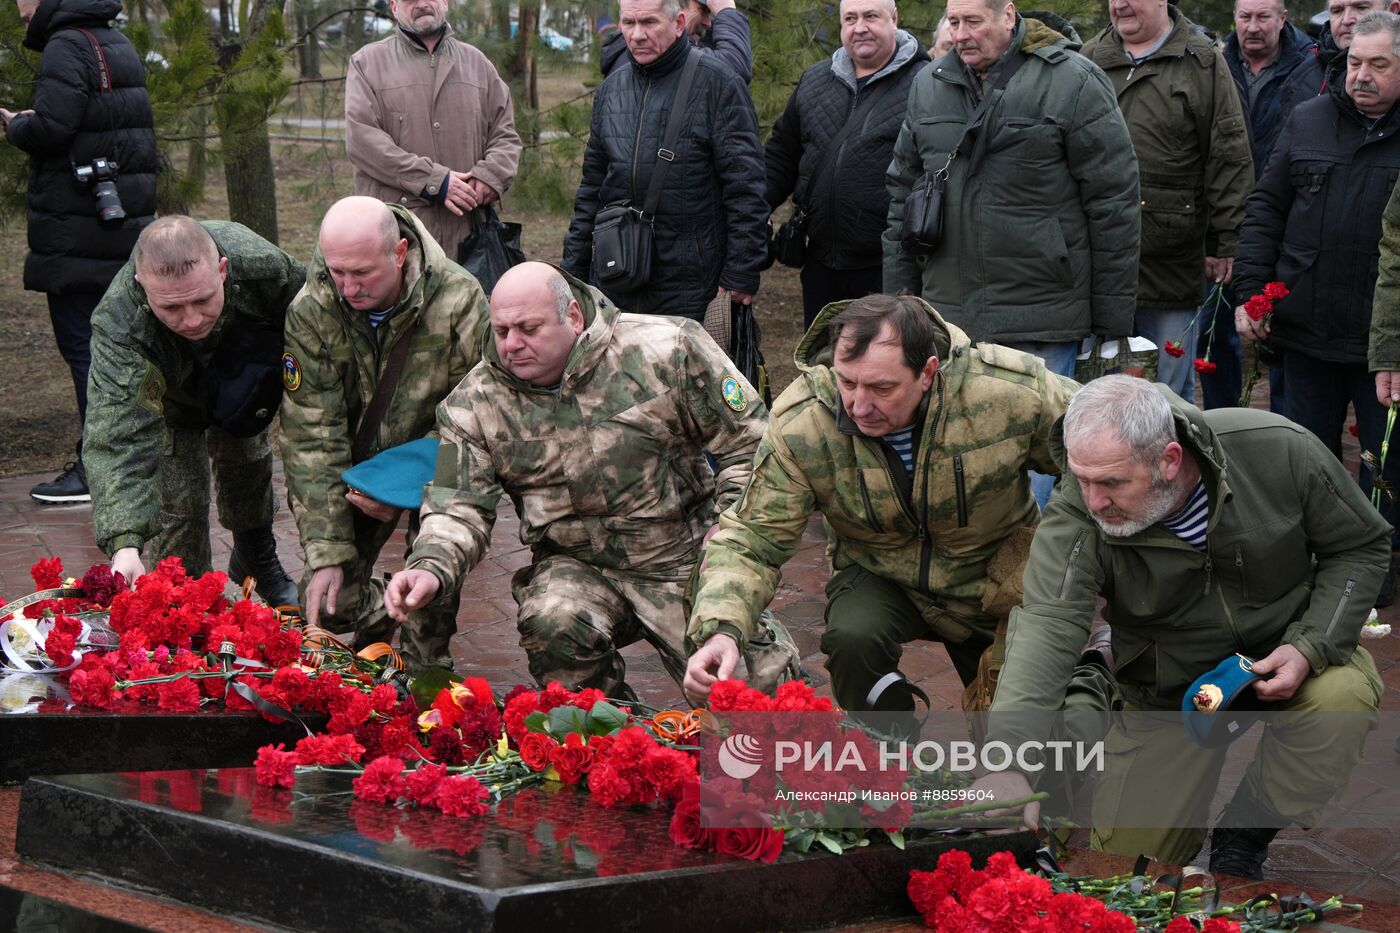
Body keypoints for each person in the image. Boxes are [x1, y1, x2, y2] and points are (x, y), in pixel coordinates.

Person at [980, 375, 1386, 878]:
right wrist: (1009, 760)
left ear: (1169, 460)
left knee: (1341, 699)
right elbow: (1047, 623)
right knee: (1126, 869)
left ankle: (1248, 829)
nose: (1094, 502)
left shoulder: (1279, 449)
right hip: (1166, 692)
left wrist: (1309, 645)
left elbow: (1360, 546)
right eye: (1081, 479)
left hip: (1284, 653)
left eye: (1110, 482)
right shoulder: (1077, 515)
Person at [383, 262, 801, 699]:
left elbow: (752, 444)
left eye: (529, 328)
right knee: (552, 620)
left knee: (759, 700)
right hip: (579, 566)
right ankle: (612, 740)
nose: (512, 344)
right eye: (502, 330)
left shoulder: (668, 348)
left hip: (683, 557)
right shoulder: (472, 405)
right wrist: (431, 565)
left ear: (573, 317)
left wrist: (731, 525)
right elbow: (456, 504)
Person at [684, 294, 1078, 714]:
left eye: (882, 387)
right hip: (879, 572)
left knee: (1024, 726)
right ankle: (883, 759)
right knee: (853, 639)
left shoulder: (1008, 392)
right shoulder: (806, 419)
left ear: (927, 372)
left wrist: (1057, 544)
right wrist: (722, 629)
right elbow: (752, 536)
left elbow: (1109, 446)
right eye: (847, 382)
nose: (859, 406)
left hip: (991, 577)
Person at [883, 0, 1138, 507]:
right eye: (953, 23)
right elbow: (901, 196)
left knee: (1044, 459)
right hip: (950, 313)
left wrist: (1111, 319)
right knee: (961, 459)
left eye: (973, 21)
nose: (960, 34)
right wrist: (899, 300)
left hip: (1043, 310)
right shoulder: (929, 83)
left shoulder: (1074, 81)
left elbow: (1114, 202)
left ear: (1009, 14)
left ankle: (1038, 575)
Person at [280, 196, 490, 671]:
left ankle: (423, 662)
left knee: (424, 622)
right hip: (357, 471)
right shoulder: (312, 308)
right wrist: (329, 551)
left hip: (435, 465)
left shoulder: (459, 299)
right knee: (329, 602)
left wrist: (408, 491)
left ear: (399, 253)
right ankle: (381, 610)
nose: (349, 287)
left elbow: (478, 424)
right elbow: (312, 432)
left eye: (363, 274)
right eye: (338, 272)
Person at [1234, 10, 1400, 608]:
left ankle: (1376, 568)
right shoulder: (1309, 120)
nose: (1362, 76)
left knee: (1384, 463)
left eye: (1379, 65)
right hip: (1305, 329)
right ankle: (1307, 563)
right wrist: (1251, 291)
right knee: (1304, 460)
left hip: (1380, 340)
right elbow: (1265, 210)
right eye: (1355, 62)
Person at [85, 216, 304, 604]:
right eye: (171, 306)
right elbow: (117, 435)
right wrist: (124, 544)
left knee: (248, 458)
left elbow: (314, 322)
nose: (191, 319)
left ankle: (256, 556)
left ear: (222, 270)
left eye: (202, 299)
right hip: (170, 400)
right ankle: (190, 599)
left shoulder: (262, 266)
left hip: (241, 374)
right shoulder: (119, 323)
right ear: (142, 285)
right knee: (180, 505)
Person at [2, 0, 157, 504]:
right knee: (116, 349)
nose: (18, 7)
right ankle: (132, 463)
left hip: (77, 234)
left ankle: (99, 472)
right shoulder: (114, 41)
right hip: (115, 224)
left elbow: (53, 128)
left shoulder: (66, 44)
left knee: (85, 351)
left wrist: (16, 126)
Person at [1080, 0, 1255, 404]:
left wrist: (1226, 242)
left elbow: (1228, 155)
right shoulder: (1088, 59)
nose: (1120, 4)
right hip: (1096, 262)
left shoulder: (1203, 62)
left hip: (1172, 262)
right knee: (1096, 391)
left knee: (1166, 396)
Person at [562, 0, 769, 323]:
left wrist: (741, 270)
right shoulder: (611, 90)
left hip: (692, 287)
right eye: (628, 23)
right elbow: (591, 191)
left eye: (649, 22)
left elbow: (746, 189)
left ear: (679, 23)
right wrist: (572, 272)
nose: (637, 35)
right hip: (617, 279)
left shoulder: (719, 84)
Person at [764, 0, 927, 327]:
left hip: (890, 266)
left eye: (871, 16)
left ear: (894, 18)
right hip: (822, 265)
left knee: (882, 370)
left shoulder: (926, 82)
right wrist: (750, 212)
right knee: (822, 367)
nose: (860, 27)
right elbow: (781, 156)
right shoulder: (815, 80)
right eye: (850, 18)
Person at [1197, 0, 1326, 412]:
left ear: (1283, 18)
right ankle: (1224, 423)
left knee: (1285, 341)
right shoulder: (1213, 63)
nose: (1252, 27)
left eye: (1263, 17)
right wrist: (1219, 234)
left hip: (1289, 220)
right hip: (1226, 217)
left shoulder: (1312, 66)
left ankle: (1288, 433)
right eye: (1244, 17)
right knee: (1215, 336)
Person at [345, 0, 522, 261]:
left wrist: (491, 175)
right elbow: (363, 141)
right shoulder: (366, 64)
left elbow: (505, 134)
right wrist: (433, 181)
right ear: (394, 7)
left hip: (470, 239)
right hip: (399, 239)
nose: (422, 3)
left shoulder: (478, 64)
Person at [600, 0, 753, 84]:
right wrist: (726, 11)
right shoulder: (651, 54)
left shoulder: (633, 51)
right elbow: (734, 73)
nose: (708, 23)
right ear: (674, 6)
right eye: (703, 11)